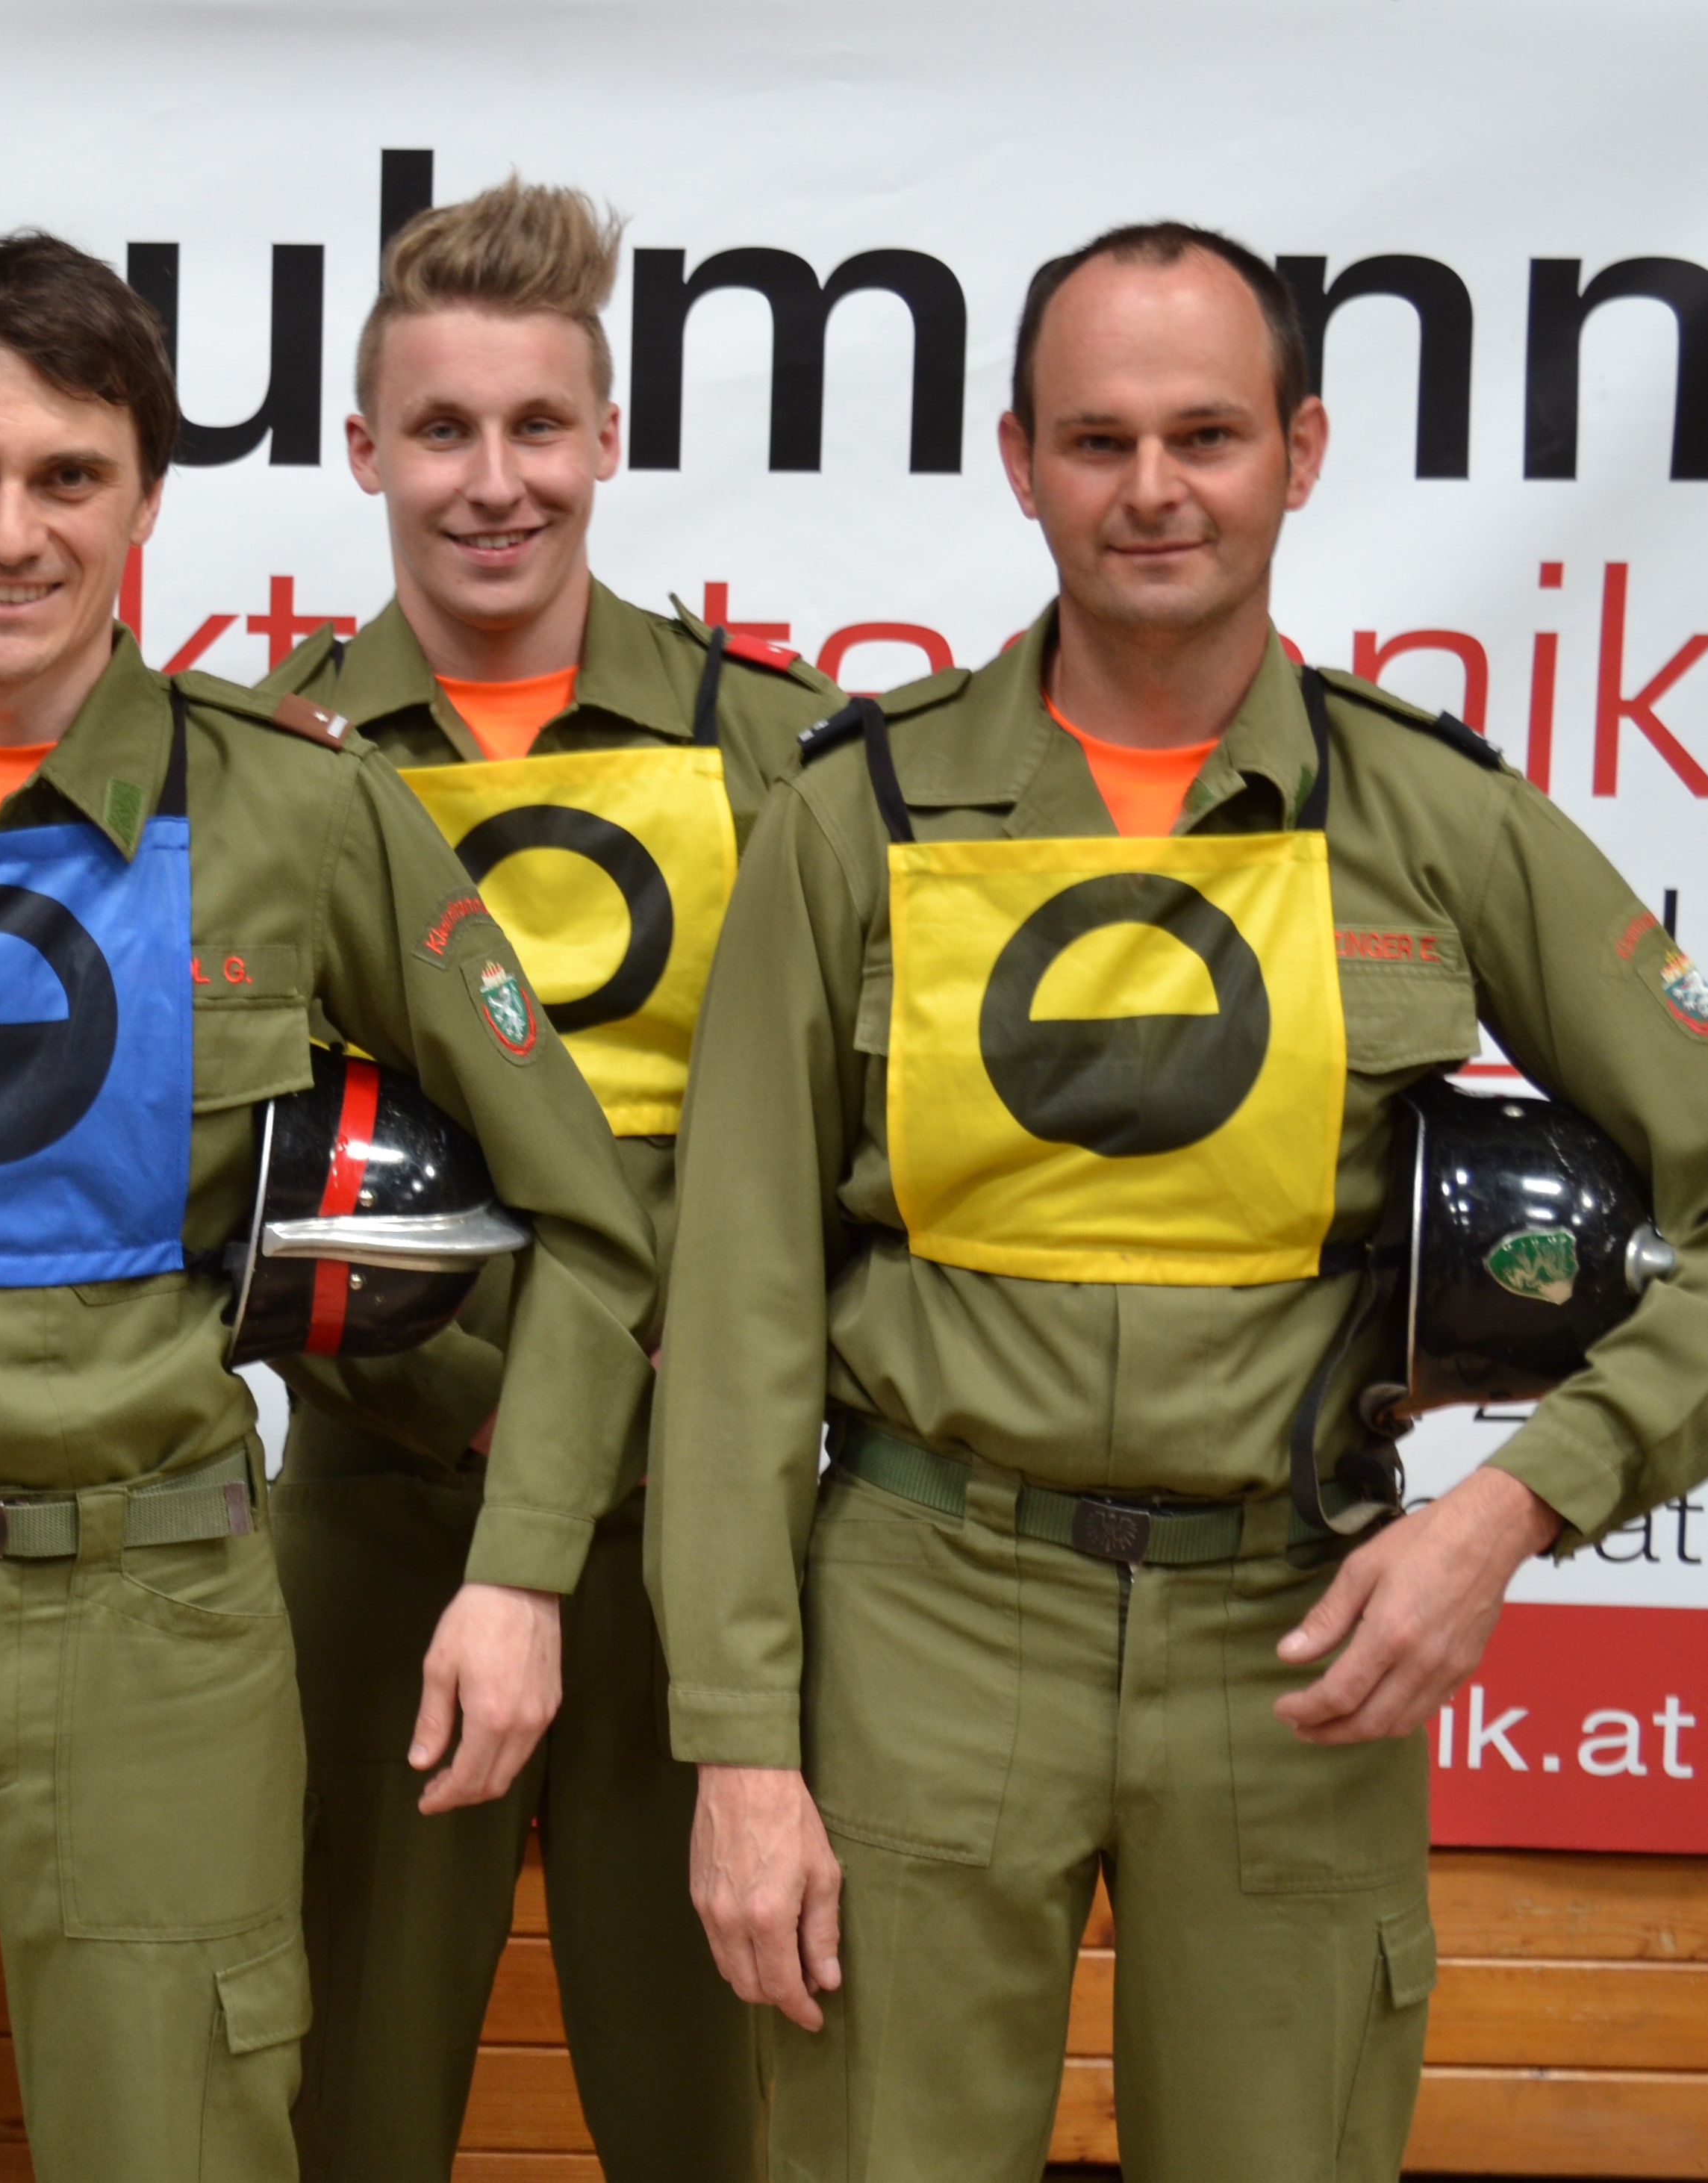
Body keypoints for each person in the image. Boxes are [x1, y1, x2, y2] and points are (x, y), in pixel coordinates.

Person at [0, 234, 660, 2182]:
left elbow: (584, 1218)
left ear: (148, 496)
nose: (11, 532)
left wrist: (516, 1569)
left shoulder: (295, 807)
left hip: (160, 1622)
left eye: (68, 476)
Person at [652, 222, 1708, 2182]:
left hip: (1294, 1641)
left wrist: (1512, 1509)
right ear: (1020, 460)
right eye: (1099, 438)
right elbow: (734, 1312)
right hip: (925, 1617)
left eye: (1206, 434)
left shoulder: (1435, 817)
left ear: (1300, 450)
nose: (1153, 487)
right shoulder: (855, 817)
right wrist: (738, 1742)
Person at [258, 178, 836, 2183]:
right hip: (380, 1512)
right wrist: (491, 1416)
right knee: (343, 2111)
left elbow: (837, 1166)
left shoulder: (780, 757)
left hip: (702, 1543)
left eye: (533, 428)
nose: (491, 481)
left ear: (607, 438)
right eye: (442, 430)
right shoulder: (264, 765)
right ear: (364, 450)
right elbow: (227, 1167)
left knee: (715, 2119)